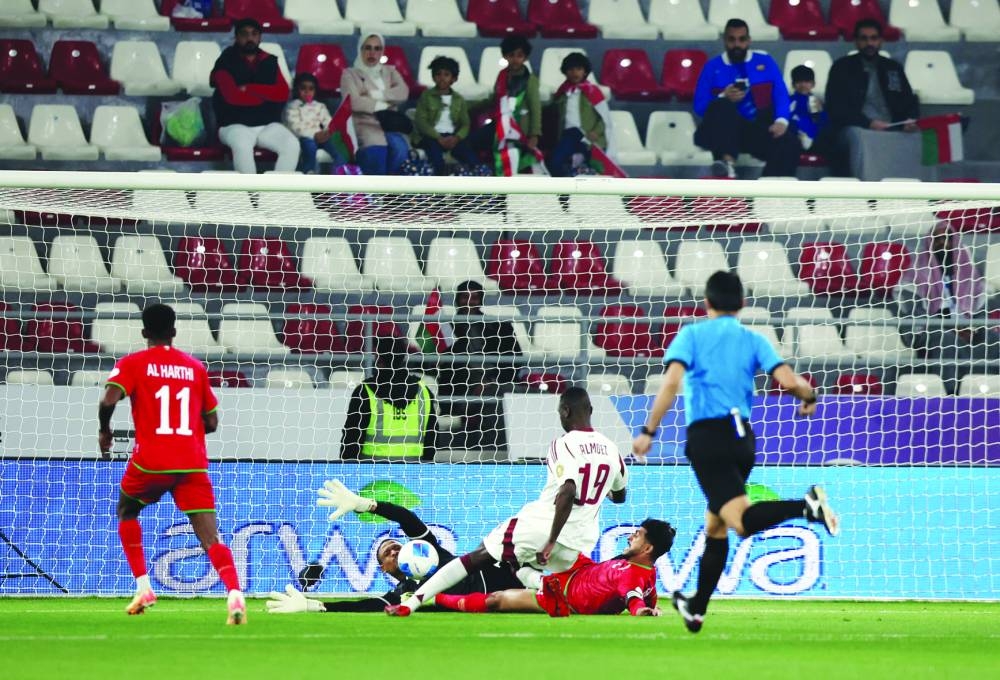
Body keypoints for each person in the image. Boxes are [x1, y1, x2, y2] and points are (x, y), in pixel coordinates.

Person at [632, 271, 839, 634]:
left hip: (708, 438)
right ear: (742, 304)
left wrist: (649, 430)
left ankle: (806, 506)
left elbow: (671, 383)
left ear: (706, 303)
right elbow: (788, 381)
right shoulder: (753, 339)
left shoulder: (692, 335)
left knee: (741, 522)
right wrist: (809, 396)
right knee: (716, 525)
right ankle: (697, 607)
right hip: (743, 440)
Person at [386, 387, 629, 616]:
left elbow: (567, 491)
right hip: (579, 542)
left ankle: (411, 603)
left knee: (476, 558)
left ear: (565, 411)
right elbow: (620, 496)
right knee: (520, 565)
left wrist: (550, 541)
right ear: (590, 410)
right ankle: (543, 584)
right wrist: (599, 488)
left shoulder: (563, 443)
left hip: (542, 528)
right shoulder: (612, 450)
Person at [97, 303, 246, 625]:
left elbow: (108, 399)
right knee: (211, 538)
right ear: (174, 331)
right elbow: (212, 422)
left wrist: (105, 430)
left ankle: (144, 588)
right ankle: (234, 593)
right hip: (192, 463)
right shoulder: (194, 368)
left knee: (127, 511)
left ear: (144, 332)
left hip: (150, 462)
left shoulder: (133, 364)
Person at [264, 479, 525, 613]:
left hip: (506, 580)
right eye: (386, 553)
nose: (393, 550)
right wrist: (315, 605)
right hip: (492, 604)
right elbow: (365, 606)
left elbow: (405, 517)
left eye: (396, 545)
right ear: (384, 569)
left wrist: (366, 505)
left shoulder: (432, 552)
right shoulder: (403, 594)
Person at [434, 519, 675, 617]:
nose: (630, 536)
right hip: (579, 567)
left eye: (637, 535)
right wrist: (651, 607)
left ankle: (436, 598)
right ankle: (514, 560)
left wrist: (642, 611)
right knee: (540, 537)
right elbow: (647, 595)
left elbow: (634, 598)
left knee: (497, 600)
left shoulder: (632, 575)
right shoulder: (644, 572)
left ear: (647, 549)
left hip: (562, 596)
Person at [692, 18, 801, 179]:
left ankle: (769, 188)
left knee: (789, 142)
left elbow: (781, 94)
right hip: (721, 130)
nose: (737, 44)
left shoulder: (765, 62)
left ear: (749, 40)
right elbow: (699, 106)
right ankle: (727, 164)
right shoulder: (712, 67)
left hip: (752, 130)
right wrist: (723, 96)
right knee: (722, 105)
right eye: (732, 40)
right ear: (724, 41)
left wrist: (781, 121)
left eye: (741, 39)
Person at [896, 222, 997, 385]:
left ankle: (988, 389)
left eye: (947, 238)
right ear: (930, 243)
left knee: (993, 338)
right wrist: (948, 327)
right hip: (931, 331)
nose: (942, 243)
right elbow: (915, 314)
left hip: (966, 329)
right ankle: (950, 392)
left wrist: (973, 328)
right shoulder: (916, 275)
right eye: (937, 239)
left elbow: (980, 313)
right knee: (946, 340)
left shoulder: (970, 277)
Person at [825, 19, 920, 179]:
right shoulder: (841, 67)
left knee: (922, 137)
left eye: (874, 38)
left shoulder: (893, 68)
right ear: (856, 41)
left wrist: (910, 120)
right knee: (858, 137)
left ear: (881, 41)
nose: (869, 43)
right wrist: (868, 123)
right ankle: (867, 189)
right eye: (864, 38)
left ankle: (918, 190)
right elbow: (836, 107)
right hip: (858, 128)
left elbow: (909, 100)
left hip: (893, 126)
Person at [437, 280, 522, 450]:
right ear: (457, 300)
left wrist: (490, 381)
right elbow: (442, 367)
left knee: (511, 394)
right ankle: (488, 448)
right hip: (462, 387)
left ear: (481, 300)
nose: (469, 302)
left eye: (474, 298)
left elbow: (515, 360)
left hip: (495, 382)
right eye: (464, 297)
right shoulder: (446, 329)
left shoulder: (500, 328)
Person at [210, 17, 300, 174]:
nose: (249, 38)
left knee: (292, 144)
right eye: (244, 34)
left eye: (254, 34)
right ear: (236, 37)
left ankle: (276, 189)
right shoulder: (225, 61)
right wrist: (266, 96)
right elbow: (233, 97)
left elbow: (282, 94)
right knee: (242, 145)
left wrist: (249, 88)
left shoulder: (270, 60)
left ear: (260, 37)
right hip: (233, 125)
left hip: (267, 125)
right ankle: (249, 190)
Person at [340, 336, 437, 462]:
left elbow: (351, 440)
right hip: (412, 471)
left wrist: (346, 469)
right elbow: (432, 439)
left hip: (371, 471)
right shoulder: (424, 392)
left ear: (379, 359)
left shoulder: (364, 392)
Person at [471, 35, 543, 176]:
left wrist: (534, 135)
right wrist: (472, 107)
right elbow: (495, 99)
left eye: (519, 56)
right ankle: (483, 173)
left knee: (510, 154)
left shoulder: (530, 80)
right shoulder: (502, 75)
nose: (515, 59)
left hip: (518, 128)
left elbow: (535, 109)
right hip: (499, 124)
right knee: (470, 143)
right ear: (505, 56)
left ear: (525, 58)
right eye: (511, 55)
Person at [340, 33, 410, 176]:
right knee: (377, 152)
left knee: (401, 149)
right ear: (360, 49)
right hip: (366, 124)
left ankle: (387, 186)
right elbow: (353, 101)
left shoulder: (390, 71)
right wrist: (383, 105)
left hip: (390, 124)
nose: (372, 53)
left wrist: (375, 94)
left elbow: (403, 92)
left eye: (377, 49)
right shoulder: (349, 74)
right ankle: (378, 187)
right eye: (368, 48)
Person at [546, 52, 613, 177]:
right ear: (565, 72)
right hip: (568, 135)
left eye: (578, 69)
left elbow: (604, 118)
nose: (575, 73)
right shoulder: (562, 92)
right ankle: (566, 186)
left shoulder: (593, 91)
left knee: (593, 165)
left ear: (585, 71)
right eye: (571, 69)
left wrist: (596, 132)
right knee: (555, 162)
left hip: (588, 136)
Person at [412, 56, 479, 175]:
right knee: (436, 160)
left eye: (446, 75)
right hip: (432, 137)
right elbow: (421, 121)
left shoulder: (458, 99)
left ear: (454, 78)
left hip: (452, 137)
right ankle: (439, 184)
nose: (442, 78)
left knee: (471, 158)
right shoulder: (426, 96)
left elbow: (465, 124)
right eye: (438, 74)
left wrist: (457, 138)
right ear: (433, 77)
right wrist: (438, 137)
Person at [283, 72, 346, 174]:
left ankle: (338, 174)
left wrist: (327, 132)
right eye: (303, 88)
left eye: (311, 89)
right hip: (305, 137)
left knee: (339, 149)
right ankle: (309, 172)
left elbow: (329, 122)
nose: (307, 92)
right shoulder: (292, 107)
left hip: (322, 136)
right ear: (297, 89)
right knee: (310, 147)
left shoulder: (319, 106)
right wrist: (314, 135)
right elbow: (295, 127)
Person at [788, 65, 829, 153]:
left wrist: (821, 112)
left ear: (813, 84)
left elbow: (824, 123)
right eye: (799, 82)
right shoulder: (789, 101)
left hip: (815, 138)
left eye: (807, 82)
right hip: (794, 137)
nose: (803, 85)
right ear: (793, 84)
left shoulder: (816, 101)